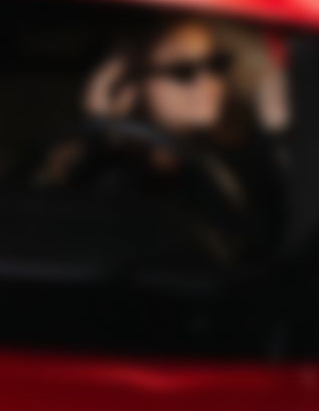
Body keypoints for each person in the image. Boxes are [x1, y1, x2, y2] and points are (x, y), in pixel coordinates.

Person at [38, 18, 283, 257]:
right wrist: (98, 124)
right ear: (133, 84)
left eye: (216, 63)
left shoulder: (233, 158)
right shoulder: (107, 168)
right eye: (183, 71)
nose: (208, 81)